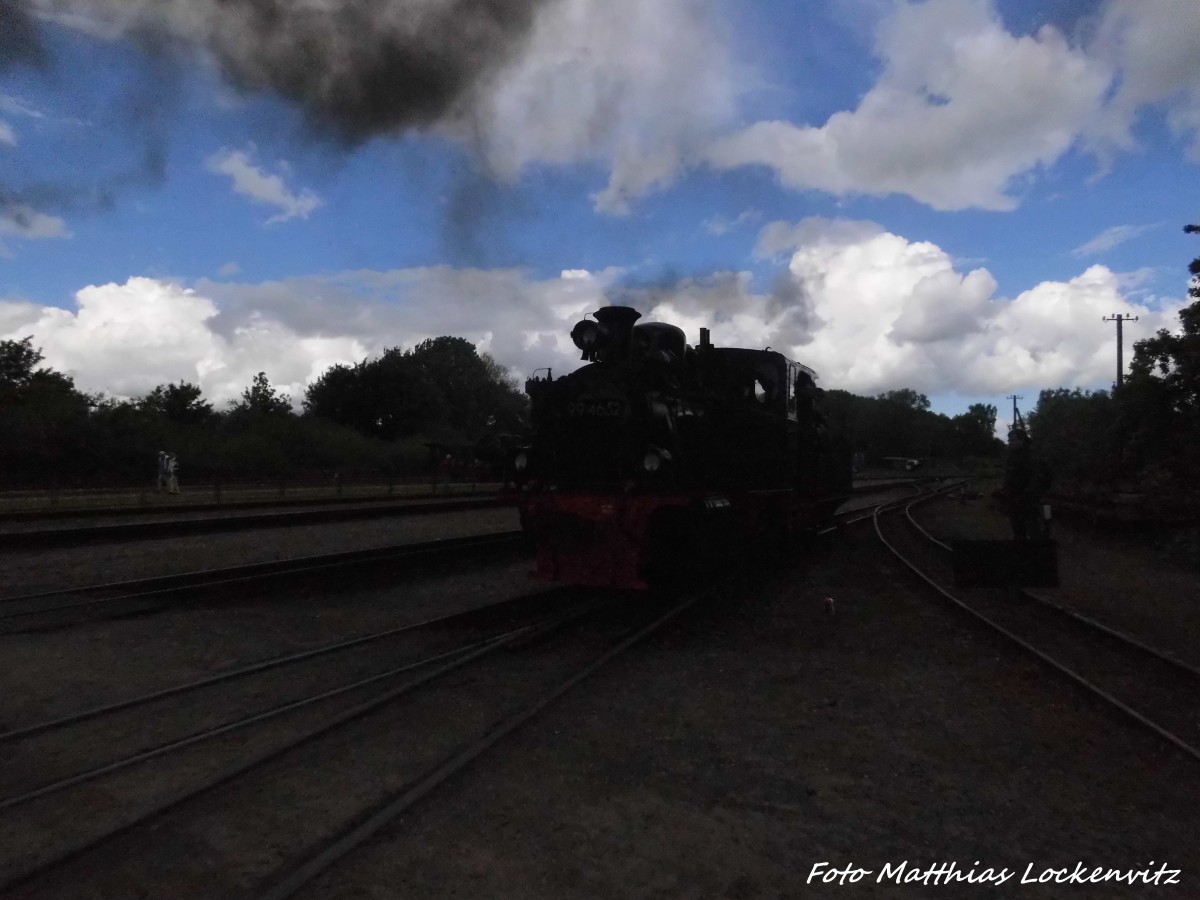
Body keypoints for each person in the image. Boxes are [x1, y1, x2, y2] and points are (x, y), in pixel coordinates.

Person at [1001, 427, 1049, 540]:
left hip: (1028, 502)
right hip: (1015, 500)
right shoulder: (1013, 456)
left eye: (1012, 440)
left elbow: (1036, 479)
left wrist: (1025, 496)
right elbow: (1010, 475)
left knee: (1033, 530)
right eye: (1009, 440)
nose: (1010, 442)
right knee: (1018, 530)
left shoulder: (1032, 456)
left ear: (1021, 440)